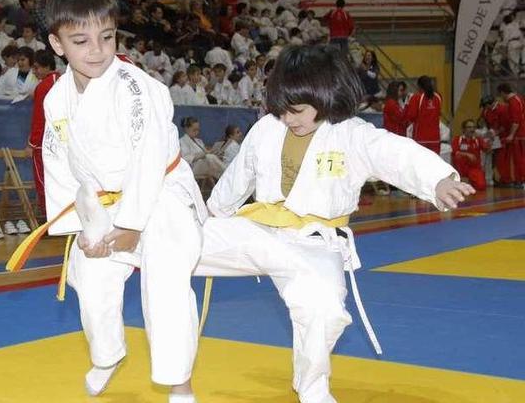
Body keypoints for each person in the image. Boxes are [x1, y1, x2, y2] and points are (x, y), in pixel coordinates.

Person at [193, 45, 475, 403]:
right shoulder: (266, 128)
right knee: (177, 239)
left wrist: (438, 180)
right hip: (260, 231)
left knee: (323, 311)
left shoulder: (351, 135)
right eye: (282, 108)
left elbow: (395, 154)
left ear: (325, 98)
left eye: (297, 110)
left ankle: (312, 389)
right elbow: (237, 177)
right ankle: (111, 260)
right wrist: (212, 214)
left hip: (314, 242)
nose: (289, 117)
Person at [38, 0, 206, 402]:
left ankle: (179, 382)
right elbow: (61, 166)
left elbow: (149, 160)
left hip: (163, 191)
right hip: (104, 199)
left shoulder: (137, 88)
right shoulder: (55, 99)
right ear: (57, 45)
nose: (97, 50)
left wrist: (132, 225)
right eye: (81, 41)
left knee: (165, 270)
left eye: (106, 37)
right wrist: (79, 226)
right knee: (89, 275)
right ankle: (107, 355)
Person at [27, 49, 61, 215]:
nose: (34, 71)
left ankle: (49, 220)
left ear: (47, 66)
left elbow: (39, 118)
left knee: (43, 181)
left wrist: (32, 143)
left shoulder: (43, 87)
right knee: (62, 181)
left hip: (45, 143)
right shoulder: (64, 82)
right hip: (65, 142)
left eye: (37, 67)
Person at [180, 116, 225, 182]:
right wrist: (201, 155)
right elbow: (185, 159)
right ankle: (228, 173)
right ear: (186, 129)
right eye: (194, 130)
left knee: (212, 159)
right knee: (210, 157)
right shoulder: (182, 141)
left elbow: (206, 154)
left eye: (198, 130)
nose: (197, 132)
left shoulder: (199, 141)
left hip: (204, 165)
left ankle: (226, 179)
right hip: (192, 168)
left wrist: (215, 152)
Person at [404, 75, 442, 153]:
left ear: (419, 86)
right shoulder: (438, 97)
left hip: (421, 137)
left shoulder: (416, 97)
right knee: (434, 162)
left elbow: (411, 116)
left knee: (420, 163)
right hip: (435, 138)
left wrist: (407, 103)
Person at [498, 83, 525, 185]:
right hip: (519, 134)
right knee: (518, 159)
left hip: (520, 135)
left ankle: (522, 179)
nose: (501, 98)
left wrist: (511, 135)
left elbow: (516, 121)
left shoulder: (514, 102)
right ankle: (520, 179)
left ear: (503, 92)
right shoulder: (517, 99)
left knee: (520, 159)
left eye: (501, 95)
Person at [452, 119, 490, 191]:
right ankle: (462, 180)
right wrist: (467, 155)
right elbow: (455, 152)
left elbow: (487, 150)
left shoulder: (477, 140)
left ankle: (470, 182)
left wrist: (489, 143)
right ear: (463, 129)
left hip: (474, 168)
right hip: (461, 169)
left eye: (473, 127)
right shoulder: (458, 139)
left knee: (481, 186)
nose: (472, 129)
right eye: (469, 127)